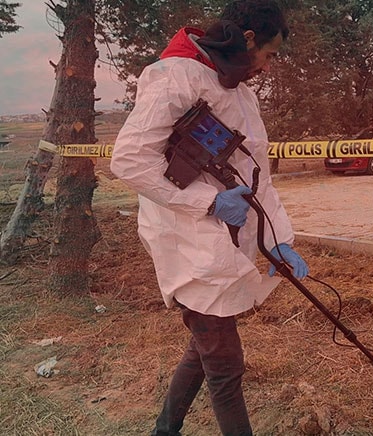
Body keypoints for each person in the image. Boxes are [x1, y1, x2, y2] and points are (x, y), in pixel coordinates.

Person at [110, 2, 308, 434]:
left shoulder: (241, 92)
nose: (269, 68)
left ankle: (165, 429)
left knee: (204, 348)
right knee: (224, 364)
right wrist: (209, 202)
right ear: (248, 38)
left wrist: (278, 239)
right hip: (188, 242)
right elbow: (128, 161)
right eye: (270, 55)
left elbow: (258, 173)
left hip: (223, 238)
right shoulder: (174, 77)